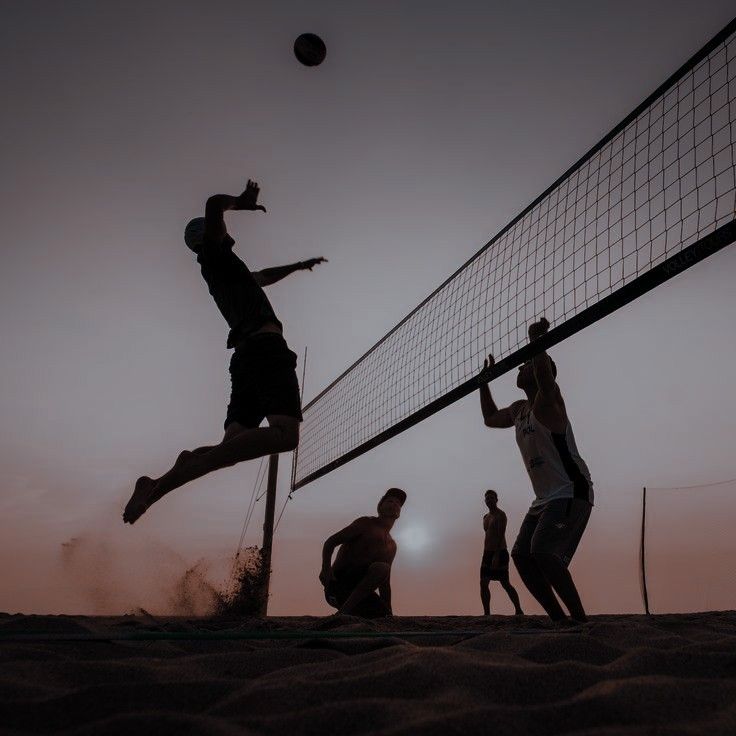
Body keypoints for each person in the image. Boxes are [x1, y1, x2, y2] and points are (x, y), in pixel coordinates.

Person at [123, 180, 326, 524]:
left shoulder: (228, 270)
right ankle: (190, 465)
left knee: (232, 445)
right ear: (208, 235)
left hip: (247, 357)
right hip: (265, 351)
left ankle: (155, 486)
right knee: (284, 436)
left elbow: (262, 276)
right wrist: (241, 202)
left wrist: (297, 266)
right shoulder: (215, 255)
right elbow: (214, 203)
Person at [478, 318, 593, 622]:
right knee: (520, 557)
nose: (519, 367)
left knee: (543, 552)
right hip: (544, 498)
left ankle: (580, 620)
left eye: (525, 363)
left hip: (571, 490)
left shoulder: (548, 399)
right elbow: (490, 418)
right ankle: (558, 619)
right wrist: (483, 383)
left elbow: (544, 377)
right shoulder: (519, 410)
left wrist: (536, 341)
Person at [319, 488, 407, 617]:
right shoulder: (365, 524)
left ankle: (349, 613)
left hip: (360, 596)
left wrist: (389, 614)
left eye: (398, 503)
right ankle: (342, 614)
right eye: (390, 501)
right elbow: (330, 542)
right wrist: (325, 568)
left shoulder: (391, 545)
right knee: (381, 567)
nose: (394, 504)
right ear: (380, 506)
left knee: (383, 615)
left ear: (399, 513)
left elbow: (384, 583)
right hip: (337, 587)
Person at [480, 489, 523, 616]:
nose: (489, 500)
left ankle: (518, 609)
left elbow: (500, 535)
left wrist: (497, 555)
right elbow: (488, 535)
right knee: (483, 583)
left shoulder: (501, 515)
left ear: (496, 500)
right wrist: (489, 554)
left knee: (505, 583)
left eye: (491, 498)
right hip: (487, 553)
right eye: (487, 498)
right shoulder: (485, 517)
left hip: (500, 552)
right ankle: (487, 613)